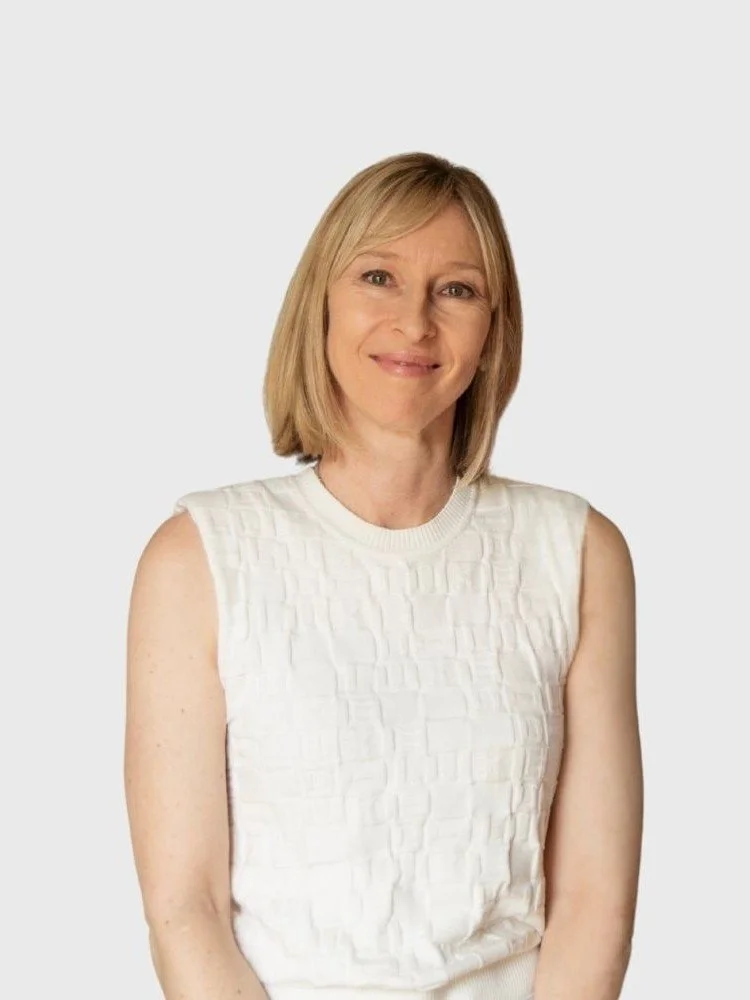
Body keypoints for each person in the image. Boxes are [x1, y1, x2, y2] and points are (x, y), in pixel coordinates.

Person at [124, 151, 643, 1000]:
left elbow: (596, 903)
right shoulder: (199, 557)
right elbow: (187, 907)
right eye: (378, 276)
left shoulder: (577, 553)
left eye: (458, 289)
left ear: (493, 328)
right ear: (319, 304)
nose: (414, 323)